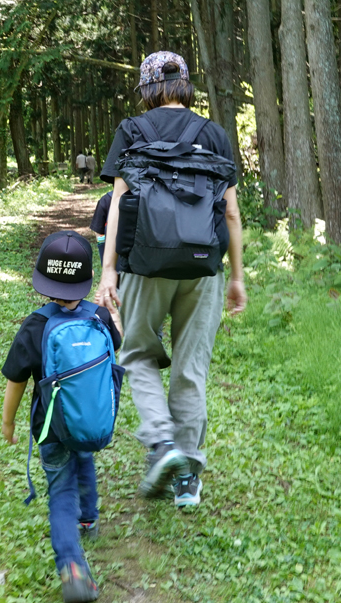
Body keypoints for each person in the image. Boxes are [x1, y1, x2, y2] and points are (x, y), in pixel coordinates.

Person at [95, 51, 245, 510]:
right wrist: (236, 276)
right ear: (185, 85)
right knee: (190, 369)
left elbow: (119, 203)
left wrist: (108, 269)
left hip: (145, 263)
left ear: (146, 88)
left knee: (137, 352)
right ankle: (188, 481)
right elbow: (232, 212)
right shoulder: (214, 133)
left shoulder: (132, 131)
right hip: (204, 267)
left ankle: (162, 446)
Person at [1, 229, 123, 603]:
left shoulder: (35, 325)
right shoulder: (98, 315)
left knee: (61, 490)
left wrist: (8, 422)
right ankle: (89, 519)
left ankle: (71, 566)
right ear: (85, 282)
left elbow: (16, 380)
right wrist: (113, 314)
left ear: (43, 280)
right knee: (83, 457)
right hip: (88, 419)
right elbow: (116, 343)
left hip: (51, 427)